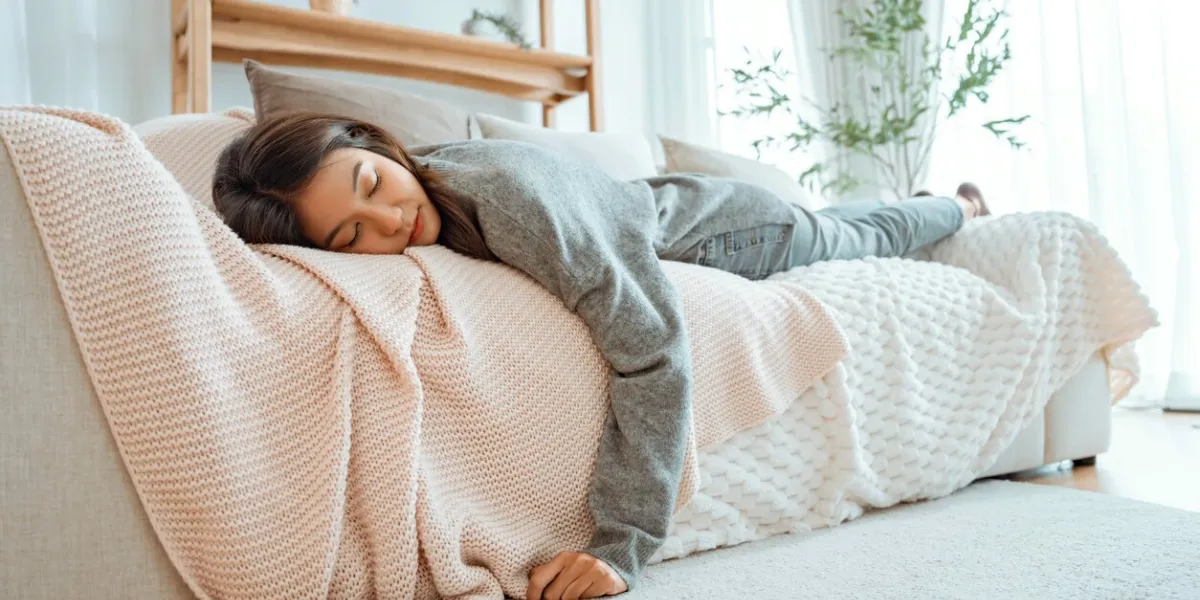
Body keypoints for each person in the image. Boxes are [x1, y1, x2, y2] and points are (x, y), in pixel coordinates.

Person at [211, 113, 988, 600]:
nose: (390, 219)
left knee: (850, 234)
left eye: (373, 182)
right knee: (839, 221)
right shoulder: (427, 189)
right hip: (649, 201)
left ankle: (957, 207)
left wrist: (622, 545)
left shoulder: (510, 203)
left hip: (722, 231)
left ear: (377, 144)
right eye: (351, 235)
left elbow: (653, 349)